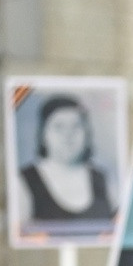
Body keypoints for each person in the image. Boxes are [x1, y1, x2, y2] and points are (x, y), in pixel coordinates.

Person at [18, 91, 115, 233]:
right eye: (59, 126)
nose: (68, 135)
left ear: (87, 133)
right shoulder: (24, 180)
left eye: (76, 126)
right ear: (43, 134)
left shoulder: (104, 179)